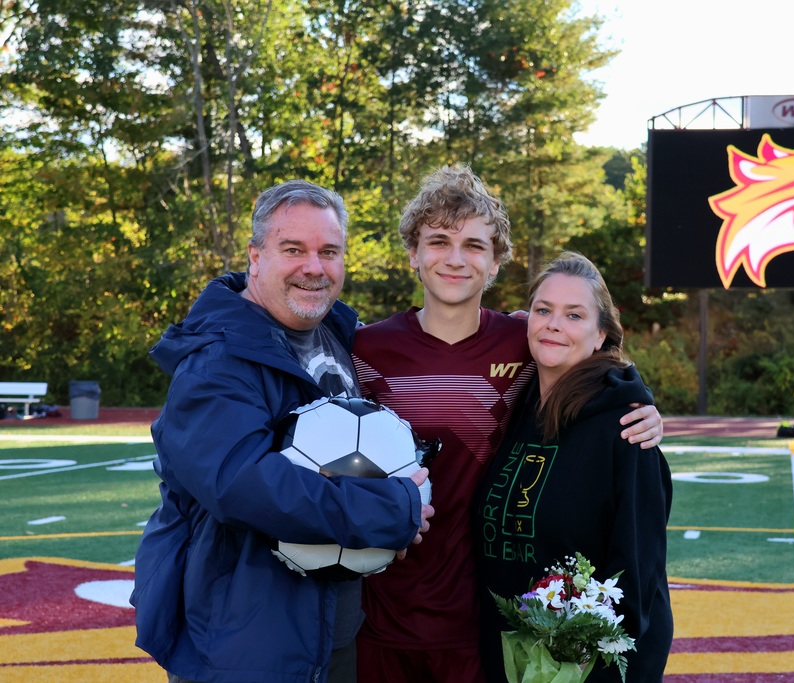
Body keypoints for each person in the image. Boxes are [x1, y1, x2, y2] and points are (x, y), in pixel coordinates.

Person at [350, 166, 663, 682]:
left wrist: (639, 400)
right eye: (438, 241)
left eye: (474, 244)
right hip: (378, 614)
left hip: (486, 625)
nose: (455, 258)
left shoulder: (521, 343)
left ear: (496, 263)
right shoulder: (364, 350)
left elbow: (593, 353)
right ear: (413, 253)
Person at [131, 179, 433, 683]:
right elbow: (241, 483)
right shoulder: (216, 359)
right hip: (243, 641)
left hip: (332, 631)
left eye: (328, 251)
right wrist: (390, 511)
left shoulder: (337, 335)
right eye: (293, 249)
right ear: (255, 256)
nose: (313, 267)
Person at [474, 251, 674, 682]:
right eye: (543, 310)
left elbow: (638, 585)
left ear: (601, 333)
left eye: (574, 315)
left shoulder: (627, 430)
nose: (554, 324)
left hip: (588, 670)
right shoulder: (515, 408)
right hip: (504, 660)